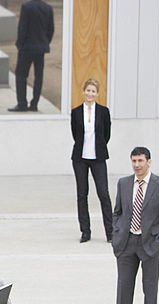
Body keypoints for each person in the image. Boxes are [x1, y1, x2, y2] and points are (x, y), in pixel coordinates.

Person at [108, 147, 159, 304]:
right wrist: (117, 233)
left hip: (150, 244)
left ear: (149, 162)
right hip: (126, 243)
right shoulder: (124, 183)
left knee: (150, 288)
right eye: (134, 161)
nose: (137, 165)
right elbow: (117, 211)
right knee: (124, 287)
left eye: (140, 161)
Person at [71, 79, 113, 243]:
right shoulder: (76, 112)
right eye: (88, 90)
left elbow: (106, 134)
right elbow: (75, 133)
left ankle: (110, 232)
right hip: (80, 158)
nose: (90, 94)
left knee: (103, 194)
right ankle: (85, 231)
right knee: (82, 194)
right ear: (83, 91)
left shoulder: (103, 111)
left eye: (93, 91)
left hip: (98, 157)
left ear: (97, 93)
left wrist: (99, 147)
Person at [8, 0, 53, 112]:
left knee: (21, 75)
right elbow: (50, 29)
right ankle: (34, 104)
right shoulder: (48, 8)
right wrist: (45, 42)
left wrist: (20, 43)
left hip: (27, 46)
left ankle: (22, 103)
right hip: (41, 47)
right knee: (38, 76)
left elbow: (23, 27)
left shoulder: (26, 7)